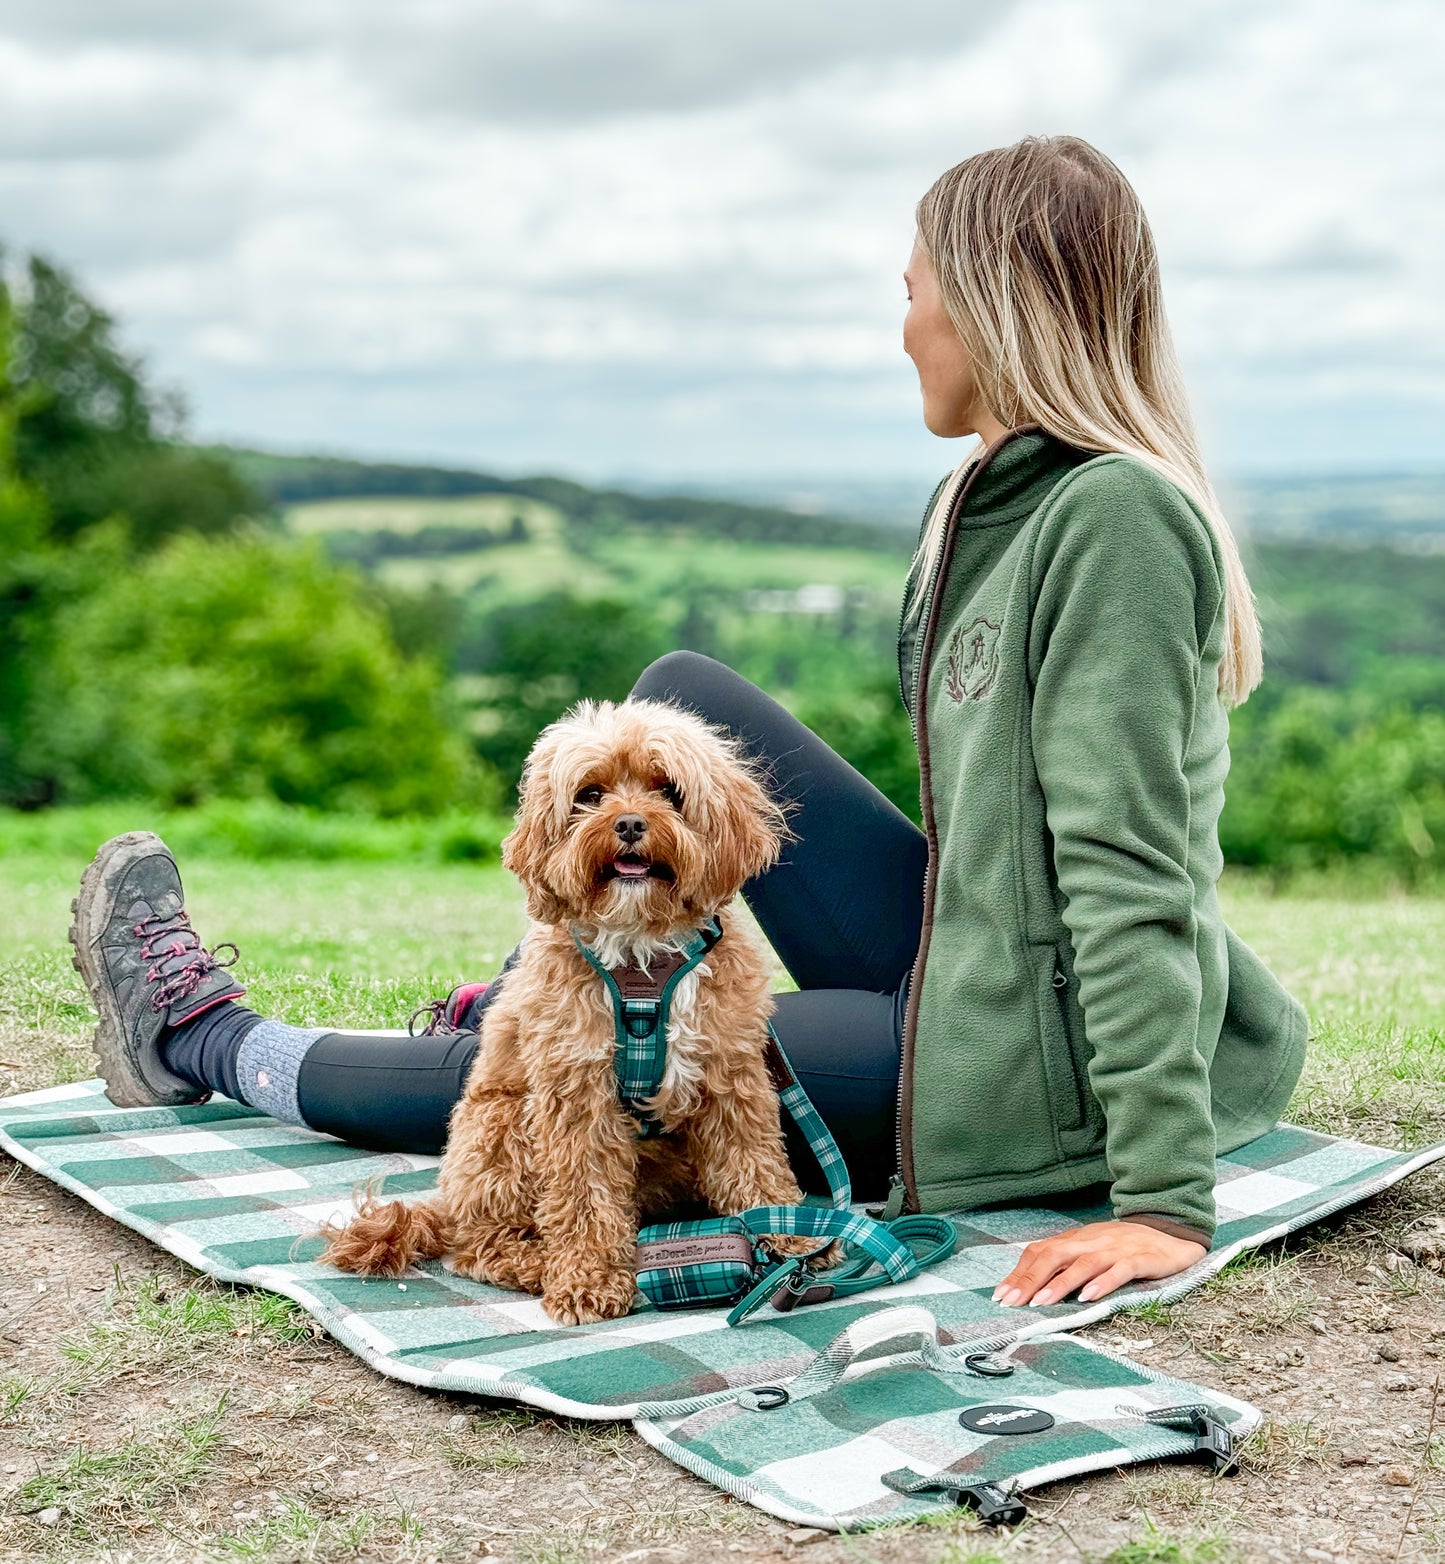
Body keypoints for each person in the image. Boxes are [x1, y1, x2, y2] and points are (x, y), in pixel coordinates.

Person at [70, 135, 1306, 1310]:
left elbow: (1124, 867)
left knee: (582, 1083)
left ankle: (203, 1040)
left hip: (1044, 1053)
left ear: (989, 304)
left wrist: (1161, 1200)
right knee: (676, 695)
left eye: (914, 290)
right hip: (966, 941)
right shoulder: (992, 498)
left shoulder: (1115, 525)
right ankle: (561, 974)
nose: (903, 326)